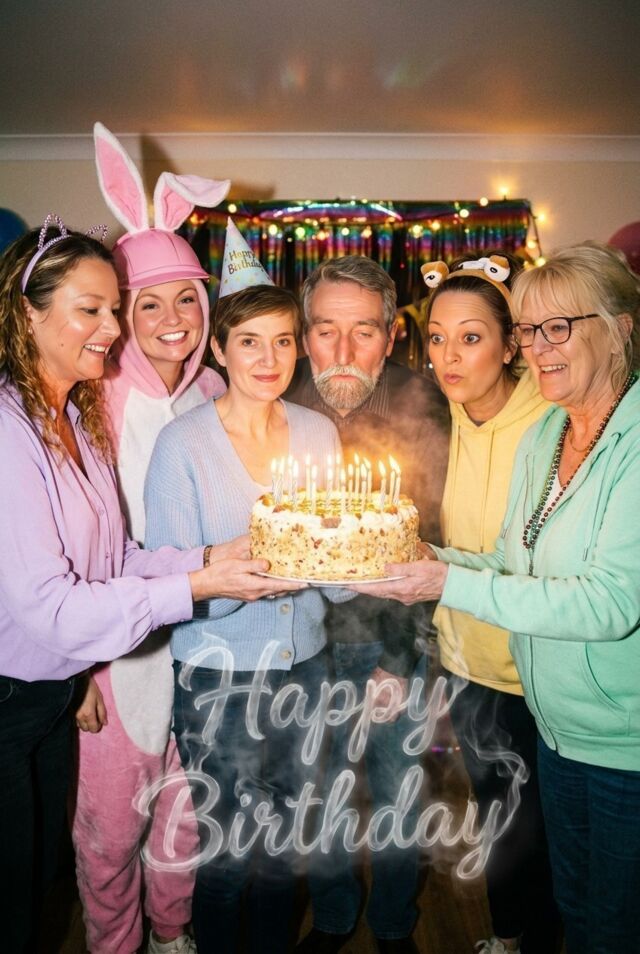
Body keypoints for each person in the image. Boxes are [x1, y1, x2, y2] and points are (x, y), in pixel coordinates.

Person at [0, 218, 294, 953]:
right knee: (60, 863)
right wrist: (194, 585)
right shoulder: (18, 428)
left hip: (70, 685)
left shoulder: (73, 416)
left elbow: (116, 555)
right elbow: (53, 605)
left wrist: (210, 559)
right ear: (27, 313)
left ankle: (168, 934)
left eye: (112, 307)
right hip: (34, 686)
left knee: (53, 873)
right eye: (93, 309)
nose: (113, 327)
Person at [354, 242, 640, 954]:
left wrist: (448, 582)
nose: (540, 347)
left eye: (558, 327)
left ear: (620, 328)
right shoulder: (551, 432)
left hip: (620, 732)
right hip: (550, 715)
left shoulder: (619, 439)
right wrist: (431, 560)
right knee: (563, 891)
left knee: (612, 921)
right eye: (532, 329)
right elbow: (513, 558)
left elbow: (611, 603)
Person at [144, 221, 351, 954]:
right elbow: (173, 581)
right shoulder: (182, 444)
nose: (269, 359)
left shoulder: (319, 433)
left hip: (306, 667)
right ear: (220, 350)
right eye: (250, 342)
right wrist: (250, 575)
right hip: (219, 675)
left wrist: (367, 567)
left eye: (284, 341)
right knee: (231, 849)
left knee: (284, 841)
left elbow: (332, 575)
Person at [72, 123, 230, 954]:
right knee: (110, 832)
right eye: (149, 302)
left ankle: (172, 935)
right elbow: (67, 546)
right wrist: (76, 671)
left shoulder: (216, 392)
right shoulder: (88, 405)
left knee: (185, 814)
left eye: (187, 299)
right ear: (122, 314)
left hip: (203, 646)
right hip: (118, 658)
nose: (174, 320)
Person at [287, 255, 449, 954]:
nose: (344, 351)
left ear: (390, 336)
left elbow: (435, 538)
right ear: (304, 336)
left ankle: (391, 923)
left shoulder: (425, 404)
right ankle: (332, 915)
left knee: (396, 789)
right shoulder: (276, 397)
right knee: (318, 791)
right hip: (300, 645)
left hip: (390, 641)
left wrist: (398, 659)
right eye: (326, 331)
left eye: (364, 332)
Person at [422, 253, 558, 954]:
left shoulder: (555, 420)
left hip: (541, 662)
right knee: (499, 817)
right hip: (466, 656)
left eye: (471, 338)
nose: (449, 356)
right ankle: (508, 934)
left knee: (549, 825)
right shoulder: (439, 411)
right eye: (437, 337)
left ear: (511, 346)